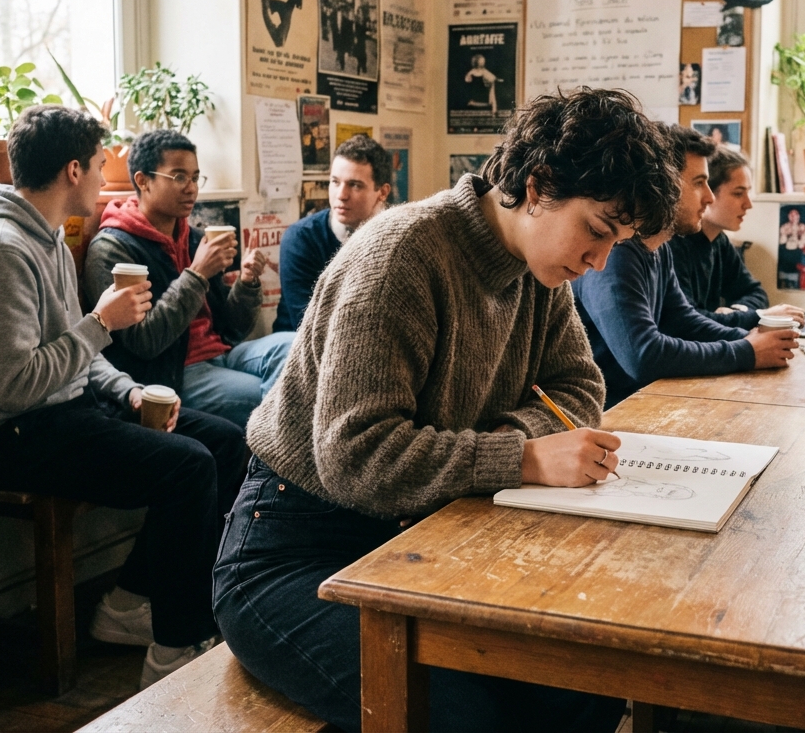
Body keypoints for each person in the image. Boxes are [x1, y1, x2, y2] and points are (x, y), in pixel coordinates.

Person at [212, 87, 677, 732]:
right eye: (597, 232)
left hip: (422, 534)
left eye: (615, 244)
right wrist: (521, 457)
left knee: (580, 685)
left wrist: (510, 446)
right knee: (461, 716)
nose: (598, 261)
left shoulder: (538, 270)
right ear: (537, 188)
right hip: (294, 550)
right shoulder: (399, 256)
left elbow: (579, 390)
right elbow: (356, 459)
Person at [0, 106, 245, 689]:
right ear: (75, 169)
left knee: (225, 441)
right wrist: (101, 323)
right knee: (185, 468)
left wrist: (130, 391)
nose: (109, 173)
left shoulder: (48, 235)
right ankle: (175, 646)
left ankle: (130, 602)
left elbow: (78, 355)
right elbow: (15, 387)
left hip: (59, 407)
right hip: (5, 431)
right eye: (103, 163)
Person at [572, 126, 799, 410]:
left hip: (649, 402)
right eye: (699, 183)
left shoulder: (658, 246)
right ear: (662, 183)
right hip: (612, 418)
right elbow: (643, 355)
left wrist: (753, 339)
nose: (709, 197)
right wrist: (746, 350)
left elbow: (683, 320)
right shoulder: (618, 252)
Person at [83, 130, 295, 431]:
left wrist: (247, 284)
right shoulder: (114, 249)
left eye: (196, 177)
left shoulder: (194, 238)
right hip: (175, 372)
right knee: (276, 396)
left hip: (222, 354)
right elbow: (144, 343)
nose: (191, 188)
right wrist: (196, 275)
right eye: (179, 177)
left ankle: (278, 454)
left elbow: (232, 328)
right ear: (143, 181)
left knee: (295, 346)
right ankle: (279, 464)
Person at [671, 145, 803, 332]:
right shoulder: (674, 245)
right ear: (709, 194)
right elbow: (689, 322)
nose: (748, 204)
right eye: (738, 193)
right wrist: (754, 317)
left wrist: (733, 313)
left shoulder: (719, 240)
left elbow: (755, 292)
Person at [274, 135, 392, 332]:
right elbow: (309, 327)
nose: (341, 195)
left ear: (382, 192)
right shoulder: (301, 238)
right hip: (298, 346)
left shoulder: (398, 235)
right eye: (335, 182)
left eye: (354, 185)